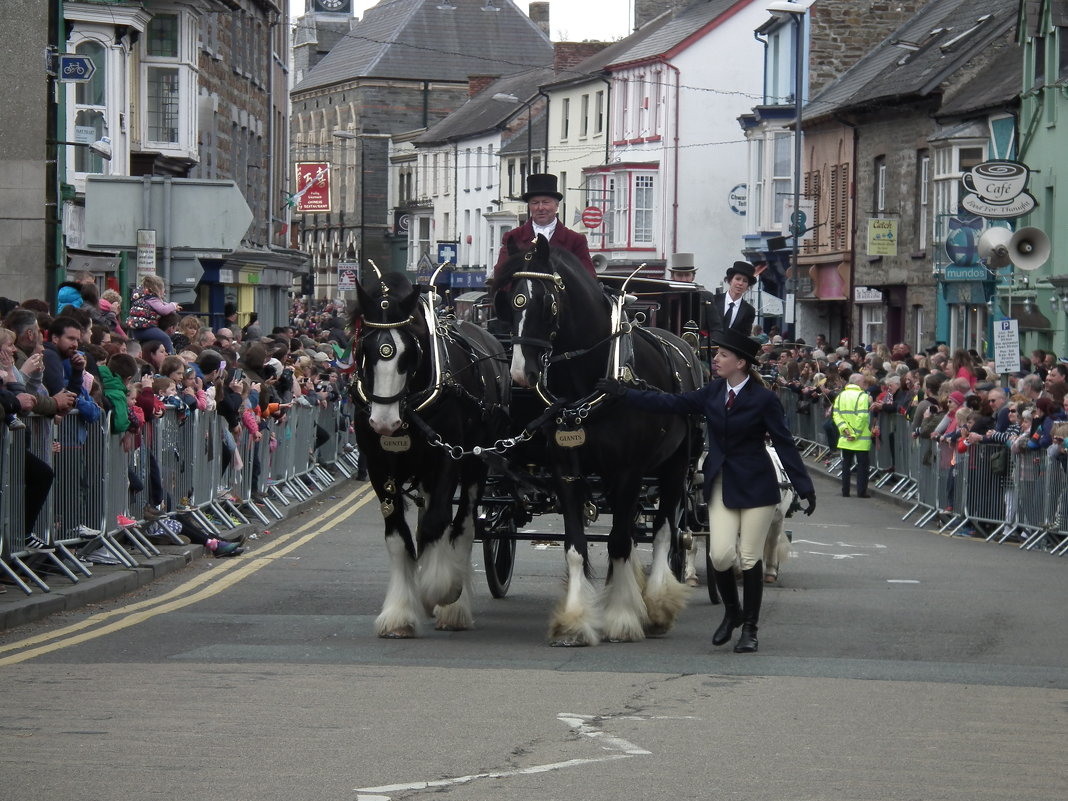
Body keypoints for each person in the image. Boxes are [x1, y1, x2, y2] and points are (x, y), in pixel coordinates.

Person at [596, 328, 815, 653]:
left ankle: (750, 629)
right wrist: (624, 394)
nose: (716, 359)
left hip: (756, 485)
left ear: (741, 362)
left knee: (750, 557)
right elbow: (670, 402)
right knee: (720, 555)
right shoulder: (712, 392)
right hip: (722, 482)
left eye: (723, 355)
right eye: (717, 354)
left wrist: (803, 486)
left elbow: (783, 443)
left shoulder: (764, 399)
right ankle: (732, 613)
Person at [492, 173, 594, 282]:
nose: (540, 208)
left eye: (546, 202)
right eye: (535, 203)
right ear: (529, 206)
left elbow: (588, 278)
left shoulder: (575, 240)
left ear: (556, 205)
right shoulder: (513, 237)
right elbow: (500, 274)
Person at [833, 373, 874, 498]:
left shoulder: (841, 396)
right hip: (860, 439)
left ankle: (845, 491)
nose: (864, 384)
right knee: (862, 466)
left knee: (846, 464)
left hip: (846, 437)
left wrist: (845, 429)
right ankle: (861, 491)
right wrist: (854, 433)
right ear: (857, 383)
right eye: (863, 382)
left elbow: (836, 415)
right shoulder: (863, 396)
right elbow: (862, 417)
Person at [706, 261, 757, 341]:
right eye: (737, 279)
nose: (740, 283)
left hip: (730, 351)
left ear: (748, 286)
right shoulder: (713, 300)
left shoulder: (749, 310)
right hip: (708, 348)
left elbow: (744, 336)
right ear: (730, 280)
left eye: (745, 281)